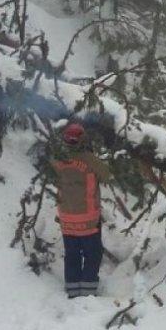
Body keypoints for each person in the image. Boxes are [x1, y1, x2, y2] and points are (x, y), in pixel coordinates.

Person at [50, 123, 112, 298]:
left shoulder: (57, 159)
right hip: (88, 219)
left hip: (66, 218)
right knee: (93, 255)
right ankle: (87, 291)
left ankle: (73, 290)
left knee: (72, 255)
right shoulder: (89, 159)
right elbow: (107, 174)